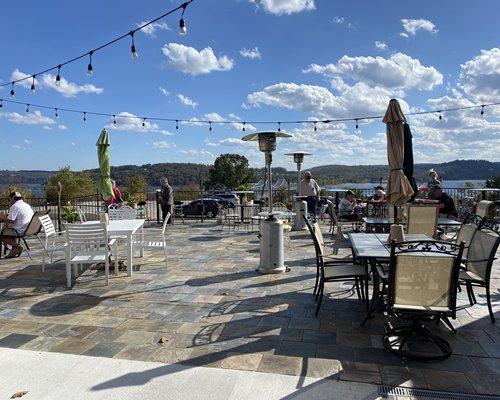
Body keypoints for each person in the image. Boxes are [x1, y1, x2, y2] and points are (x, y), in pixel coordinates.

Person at [0, 192, 34, 258]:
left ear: (13, 198)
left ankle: (17, 247)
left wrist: (3, 218)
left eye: (9, 199)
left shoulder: (15, 206)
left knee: (1, 235)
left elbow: (11, 221)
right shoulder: (27, 205)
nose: (9, 201)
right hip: (28, 228)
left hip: (20, 230)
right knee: (9, 230)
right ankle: (14, 250)